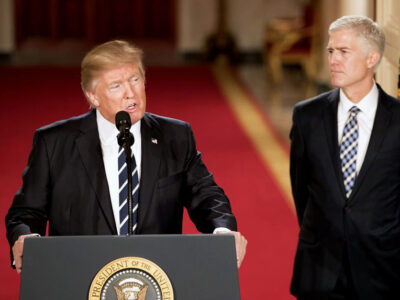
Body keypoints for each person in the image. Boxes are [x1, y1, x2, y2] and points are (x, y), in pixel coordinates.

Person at [5, 40, 247, 274]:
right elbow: (26, 212)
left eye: (135, 80)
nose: (130, 93)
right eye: (116, 86)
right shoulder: (54, 143)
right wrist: (26, 238)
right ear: (93, 96)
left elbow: (206, 195)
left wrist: (222, 230)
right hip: (78, 275)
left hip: (156, 278)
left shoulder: (175, 136)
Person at [290, 15, 400, 300]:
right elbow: (301, 190)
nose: (333, 60)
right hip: (319, 269)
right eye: (331, 51)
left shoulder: (398, 120)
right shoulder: (306, 116)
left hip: (383, 270)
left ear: (371, 58)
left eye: (343, 51)